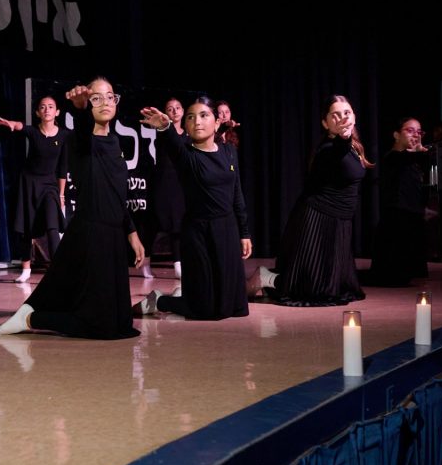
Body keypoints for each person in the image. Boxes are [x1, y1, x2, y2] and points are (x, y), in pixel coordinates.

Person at [0, 77, 145, 339]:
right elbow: (85, 131)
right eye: (96, 98)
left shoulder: (116, 143)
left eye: (110, 96)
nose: (105, 102)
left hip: (114, 236)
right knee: (101, 327)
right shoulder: (78, 141)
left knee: (121, 323)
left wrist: (131, 233)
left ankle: (36, 316)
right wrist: (79, 108)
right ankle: (32, 318)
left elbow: (117, 195)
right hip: (91, 232)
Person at [247, 94, 374, 306]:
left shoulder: (354, 146)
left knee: (333, 286)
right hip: (318, 219)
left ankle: (272, 277)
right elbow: (336, 154)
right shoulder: (329, 148)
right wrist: (343, 139)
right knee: (312, 291)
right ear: (325, 123)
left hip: (340, 221)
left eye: (347, 113)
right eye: (335, 115)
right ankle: (266, 277)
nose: (342, 118)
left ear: (354, 116)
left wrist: (346, 140)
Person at [136, 97, 252, 320]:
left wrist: (244, 231)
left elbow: (237, 193)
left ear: (217, 123)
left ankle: (188, 298)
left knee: (236, 308)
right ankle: (160, 300)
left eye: (203, 115)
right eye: (191, 117)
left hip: (227, 229)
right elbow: (172, 142)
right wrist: (165, 126)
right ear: (186, 126)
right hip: (198, 232)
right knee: (206, 311)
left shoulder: (229, 152)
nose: (197, 121)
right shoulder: (186, 155)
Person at [0, 95, 68, 282]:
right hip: (29, 183)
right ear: (37, 113)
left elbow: (62, 168)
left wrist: (61, 194)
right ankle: (26, 269)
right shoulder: (34, 132)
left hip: (50, 186)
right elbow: (21, 126)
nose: (47, 110)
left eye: (51, 106)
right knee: (26, 227)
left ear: (57, 112)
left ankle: (60, 269)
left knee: (53, 226)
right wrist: (12, 124)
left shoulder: (64, 135)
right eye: (42, 107)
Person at [367, 117, 429, 286]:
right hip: (396, 222)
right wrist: (417, 153)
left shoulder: (413, 160)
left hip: (411, 219)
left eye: (419, 131)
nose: (415, 135)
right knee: (392, 277)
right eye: (410, 130)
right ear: (396, 135)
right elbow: (400, 162)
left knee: (408, 276)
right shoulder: (392, 158)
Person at [143, 97, 188, 279]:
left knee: (179, 222)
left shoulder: (189, 135)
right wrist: (163, 124)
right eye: (170, 109)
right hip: (162, 182)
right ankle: (145, 262)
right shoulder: (163, 132)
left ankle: (178, 263)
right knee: (154, 224)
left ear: (183, 111)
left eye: (178, 108)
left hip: (180, 183)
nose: (175, 111)